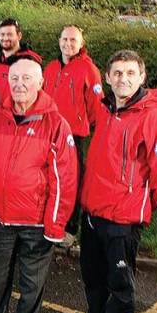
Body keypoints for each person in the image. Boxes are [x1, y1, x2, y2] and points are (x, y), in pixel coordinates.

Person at [56, 50, 157, 313]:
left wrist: (145, 203)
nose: (123, 79)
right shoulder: (107, 110)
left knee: (120, 287)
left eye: (130, 73)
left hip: (123, 219)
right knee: (93, 280)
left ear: (142, 77)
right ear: (108, 78)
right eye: (117, 73)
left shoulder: (153, 116)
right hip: (94, 212)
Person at [0, 58, 76, 313]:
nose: (19, 85)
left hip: (37, 222)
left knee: (32, 283)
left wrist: (55, 224)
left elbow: (65, 178)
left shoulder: (56, 124)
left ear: (40, 82)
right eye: (14, 79)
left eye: (26, 79)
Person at [42, 25, 104, 244]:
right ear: (59, 40)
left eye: (73, 40)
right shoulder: (50, 68)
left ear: (81, 43)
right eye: (65, 39)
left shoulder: (89, 70)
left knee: (70, 181)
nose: (68, 44)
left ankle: (69, 227)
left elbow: (96, 107)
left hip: (71, 136)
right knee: (47, 178)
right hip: (47, 132)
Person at [0, 18, 41, 103]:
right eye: (2, 34)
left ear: (19, 36)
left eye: (9, 34)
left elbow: (35, 95)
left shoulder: (28, 61)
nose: (5, 38)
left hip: (16, 115)